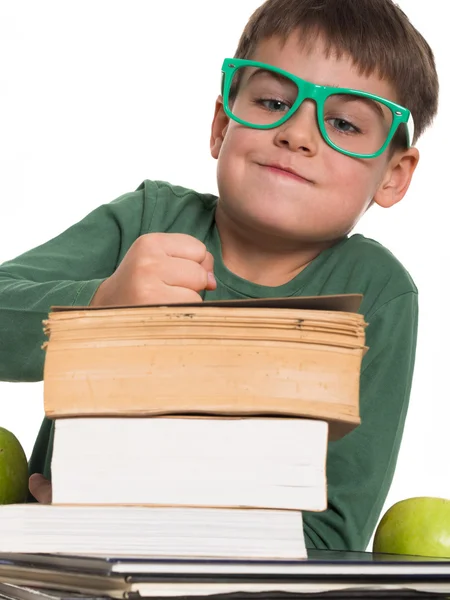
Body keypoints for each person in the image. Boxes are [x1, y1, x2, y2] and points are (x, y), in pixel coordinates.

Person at [0, 0, 439, 551]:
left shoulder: (378, 292)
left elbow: (332, 533)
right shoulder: (146, 221)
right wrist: (99, 307)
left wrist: (133, 530)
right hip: (62, 571)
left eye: (345, 123)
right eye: (274, 101)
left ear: (394, 176)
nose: (298, 135)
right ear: (221, 123)